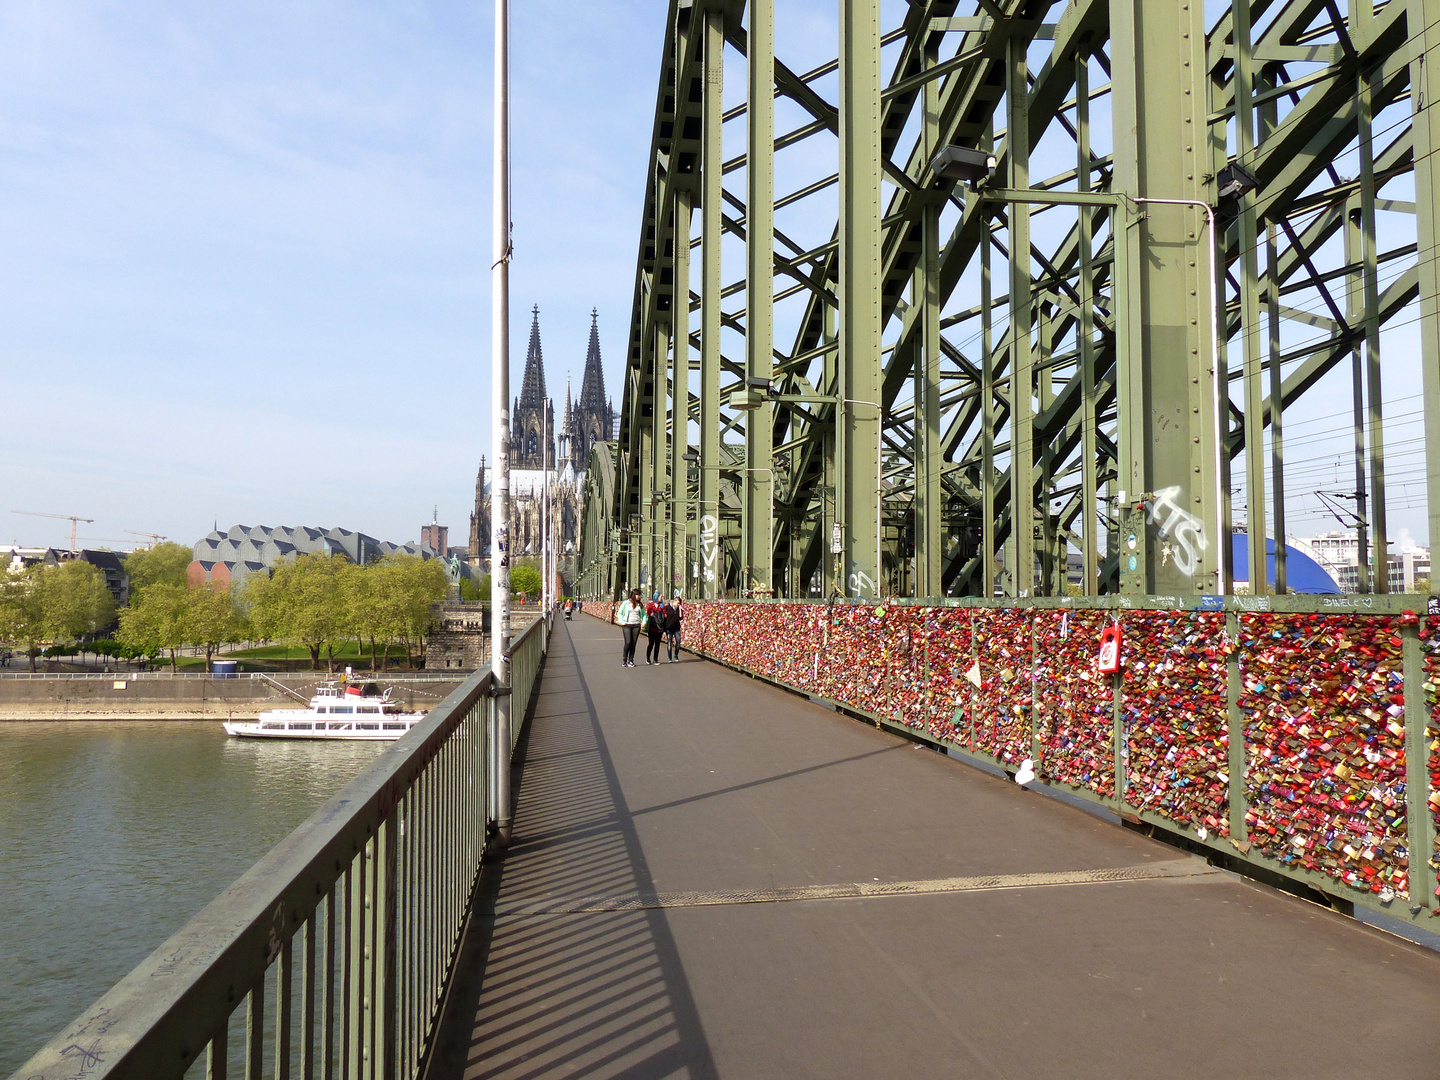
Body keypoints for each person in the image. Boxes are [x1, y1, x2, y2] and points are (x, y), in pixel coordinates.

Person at [616, 589, 644, 667]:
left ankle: (631, 660)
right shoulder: (626, 603)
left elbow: (644, 615)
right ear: (634, 595)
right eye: (638, 595)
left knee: (633, 643)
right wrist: (622, 621)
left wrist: (644, 622)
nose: (639, 596)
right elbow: (620, 613)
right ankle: (624, 659)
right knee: (628, 642)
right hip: (627, 625)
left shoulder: (640, 605)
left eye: (640, 595)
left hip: (636, 625)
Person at [643, 592, 666, 665]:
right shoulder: (651, 605)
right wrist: (654, 614)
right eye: (660, 597)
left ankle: (656, 659)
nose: (661, 598)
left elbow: (665, 615)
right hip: (652, 627)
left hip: (659, 627)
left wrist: (656, 614)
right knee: (651, 643)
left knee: (657, 644)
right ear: (656, 597)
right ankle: (648, 658)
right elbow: (648, 612)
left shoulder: (662, 606)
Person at [663, 593, 683, 662]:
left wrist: (680, 610)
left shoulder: (678, 609)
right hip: (669, 628)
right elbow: (664, 618)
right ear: (674, 601)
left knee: (678, 641)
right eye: (677, 603)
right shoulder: (668, 608)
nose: (678, 605)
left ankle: (676, 654)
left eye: (679, 604)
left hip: (676, 628)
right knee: (669, 642)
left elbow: (680, 618)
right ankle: (669, 657)